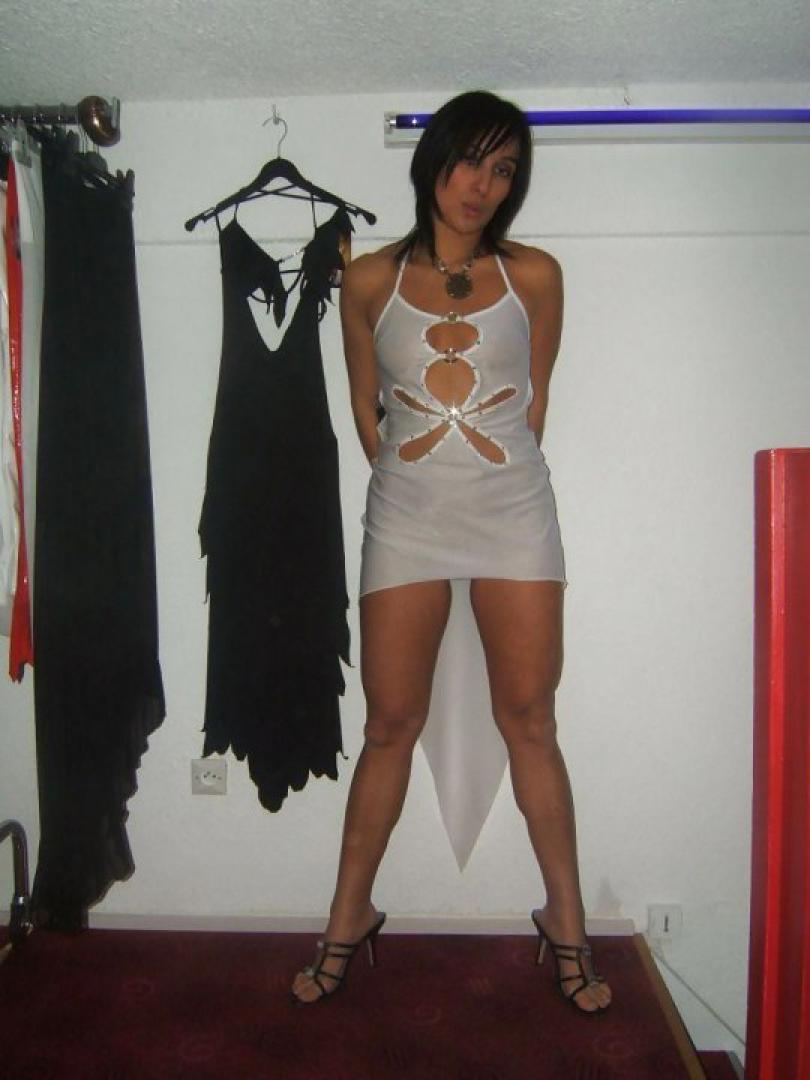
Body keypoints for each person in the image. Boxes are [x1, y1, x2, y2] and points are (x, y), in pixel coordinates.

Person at [291, 90, 612, 1013]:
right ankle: (348, 918)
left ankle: (567, 923)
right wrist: (418, 480)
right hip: (406, 517)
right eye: (471, 160)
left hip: (513, 514)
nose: (483, 185)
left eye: (504, 170)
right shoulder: (368, 280)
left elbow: (533, 407)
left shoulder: (536, 276)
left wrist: (479, 476)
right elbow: (368, 420)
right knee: (389, 724)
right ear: (433, 159)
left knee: (532, 721)